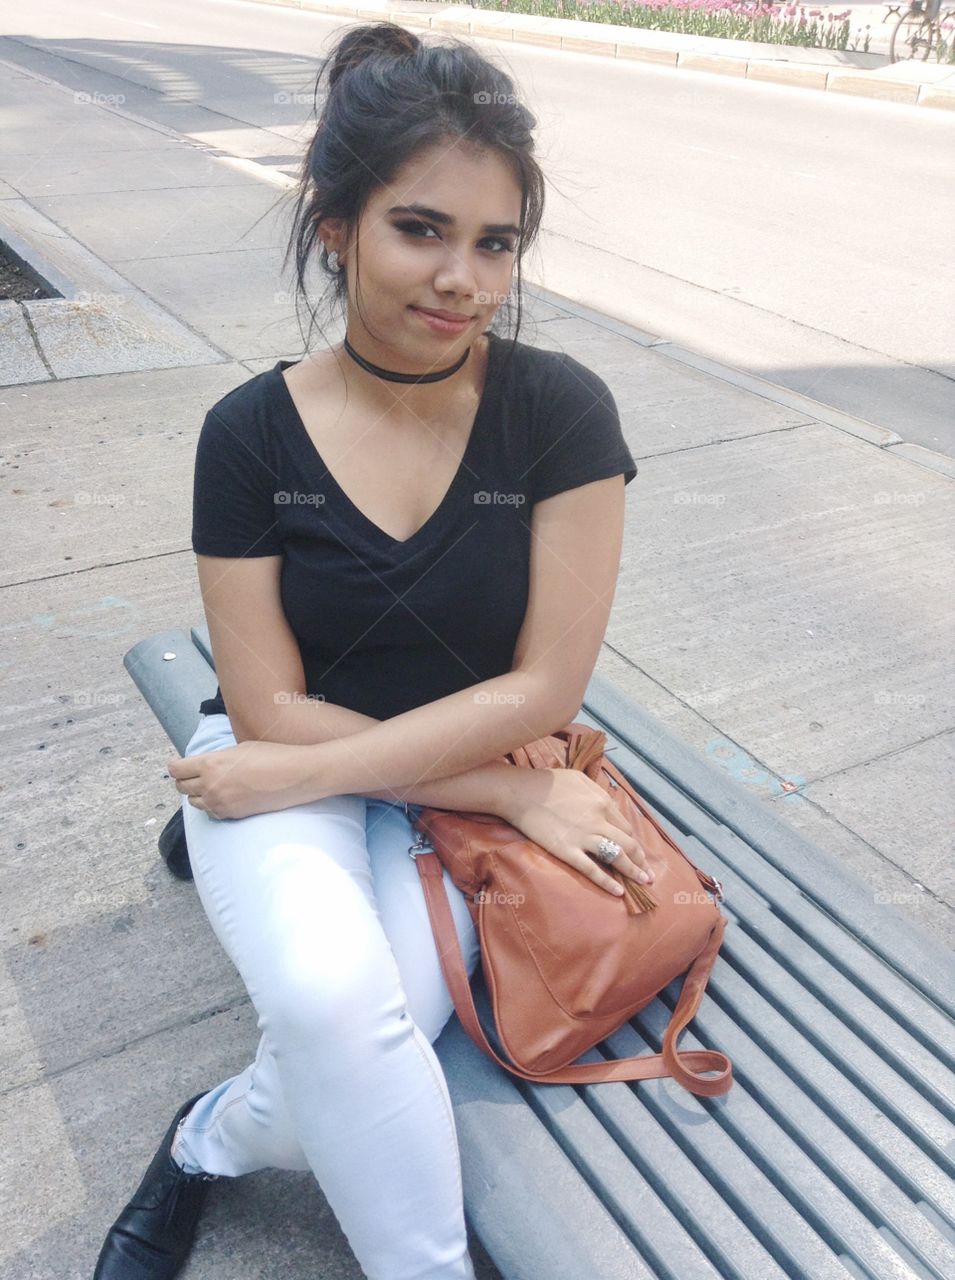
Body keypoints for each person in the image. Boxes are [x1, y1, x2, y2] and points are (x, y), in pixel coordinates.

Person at [92, 21, 648, 1280]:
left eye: (494, 241)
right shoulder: (248, 435)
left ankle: (201, 1143)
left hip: (353, 777)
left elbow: (544, 684)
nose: (463, 276)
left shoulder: (558, 412)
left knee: (337, 1035)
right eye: (420, 228)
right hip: (332, 764)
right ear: (333, 222)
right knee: (339, 1005)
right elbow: (267, 705)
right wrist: (503, 783)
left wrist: (323, 771)